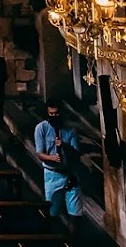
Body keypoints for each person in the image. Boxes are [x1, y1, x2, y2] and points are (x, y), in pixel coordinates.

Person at [33, 100, 83, 234]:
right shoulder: (41, 128)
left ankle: (73, 241)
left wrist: (64, 146)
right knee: (51, 210)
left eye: (56, 113)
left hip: (69, 174)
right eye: (51, 114)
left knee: (74, 213)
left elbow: (76, 152)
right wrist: (52, 158)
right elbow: (40, 153)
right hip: (52, 174)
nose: (54, 116)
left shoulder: (70, 130)